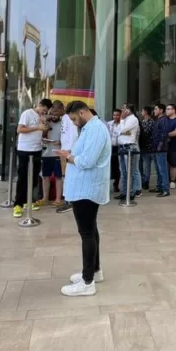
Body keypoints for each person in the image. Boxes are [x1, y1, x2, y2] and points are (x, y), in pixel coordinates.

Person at [57, 101, 111, 297]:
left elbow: (87, 161)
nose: (73, 123)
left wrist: (68, 157)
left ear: (82, 112)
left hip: (87, 188)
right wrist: (71, 155)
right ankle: (94, 271)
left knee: (87, 233)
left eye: (73, 119)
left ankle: (87, 282)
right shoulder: (89, 128)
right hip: (84, 187)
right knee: (91, 230)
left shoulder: (96, 129)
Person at [14, 99, 51, 217]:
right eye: (43, 110)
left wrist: (44, 128)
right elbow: (19, 129)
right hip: (25, 149)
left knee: (34, 177)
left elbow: (42, 132)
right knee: (23, 177)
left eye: (46, 111)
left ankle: (28, 201)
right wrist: (37, 127)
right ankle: (18, 204)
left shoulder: (42, 117)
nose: (44, 112)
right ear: (39, 105)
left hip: (37, 149)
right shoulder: (27, 113)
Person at [39, 105, 63, 208]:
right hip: (47, 153)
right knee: (45, 176)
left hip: (58, 153)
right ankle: (45, 198)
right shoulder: (47, 124)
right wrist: (44, 138)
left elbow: (68, 138)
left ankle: (58, 198)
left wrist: (60, 142)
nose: (54, 116)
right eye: (52, 114)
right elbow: (42, 135)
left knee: (58, 176)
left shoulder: (63, 124)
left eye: (55, 114)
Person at [116, 103, 141, 200]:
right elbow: (118, 131)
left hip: (129, 147)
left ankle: (132, 192)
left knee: (131, 170)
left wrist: (122, 122)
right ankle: (124, 191)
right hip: (121, 146)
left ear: (129, 110)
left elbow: (122, 129)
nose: (122, 110)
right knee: (123, 171)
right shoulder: (125, 120)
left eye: (124, 108)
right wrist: (123, 130)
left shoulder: (133, 119)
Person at [57, 99, 77, 212]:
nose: (54, 114)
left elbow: (73, 134)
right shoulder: (64, 118)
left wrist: (70, 150)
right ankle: (67, 199)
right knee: (65, 176)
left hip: (69, 151)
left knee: (69, 176)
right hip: (63, 150)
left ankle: (70, 201)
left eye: (55, 111)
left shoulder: (69, 118)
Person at [163, 104, 176, 190]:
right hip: (164, 145)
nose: (166, 111)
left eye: (168, 109)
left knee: (173, 163)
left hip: (174, 144)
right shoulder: (165, 120)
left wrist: (165, 135)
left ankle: (172, 181)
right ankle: (165, 180)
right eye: (166, 109)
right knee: (165, 163)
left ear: (174, 110)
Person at [139, 106, 155, 192]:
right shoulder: (142, 122)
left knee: (147, 165)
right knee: (140, 164)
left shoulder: (151, 122)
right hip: (141, 146)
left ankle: (146, 181)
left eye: (142, 111)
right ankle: (141, 180)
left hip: (148, 147)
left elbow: (147, 133)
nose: (141, 113)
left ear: (145, 112)